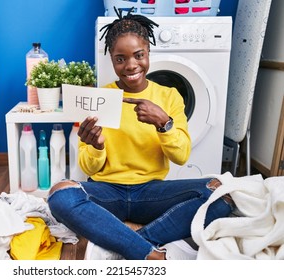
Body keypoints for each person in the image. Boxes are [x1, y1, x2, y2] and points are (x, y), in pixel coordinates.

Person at [47, 8, 233, 260]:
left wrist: (164, 123)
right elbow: (89, 168)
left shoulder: (169, 97)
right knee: (60, 194)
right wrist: (97, 147)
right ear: (111, 59)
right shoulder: (98, 98)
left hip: (151, 193)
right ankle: (148, 253)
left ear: (148, 54)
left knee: (221, 194)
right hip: (107, 191)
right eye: (120, 58)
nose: (131, 65)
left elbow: (181, 156)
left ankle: (135, 245)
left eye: (138, 55)